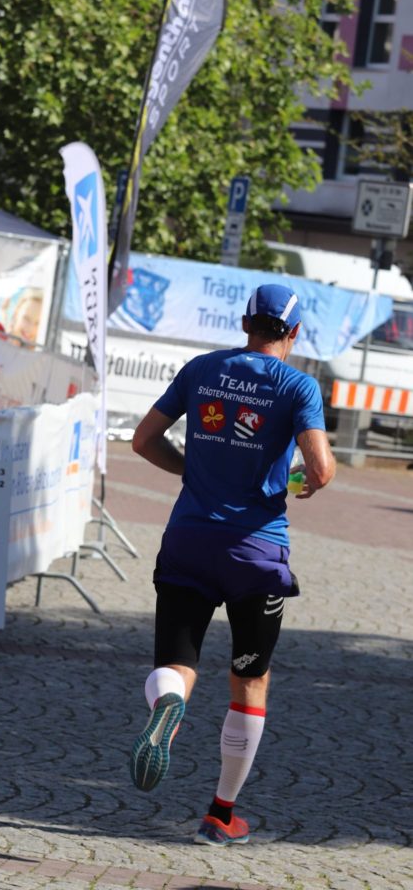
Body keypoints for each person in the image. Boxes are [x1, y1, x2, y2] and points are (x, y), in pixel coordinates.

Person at [128, 283, 335, 846]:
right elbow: (320, 469)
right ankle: (220, 815)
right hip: (255, 553)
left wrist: (191, 471)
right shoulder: (297, 385)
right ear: (295, 333)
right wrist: (309, 480)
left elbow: (143, 441)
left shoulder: (202, 369)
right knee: (250, 679)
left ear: (245, 323)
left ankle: (169, 702)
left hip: (189, 540)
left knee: (177, 663)